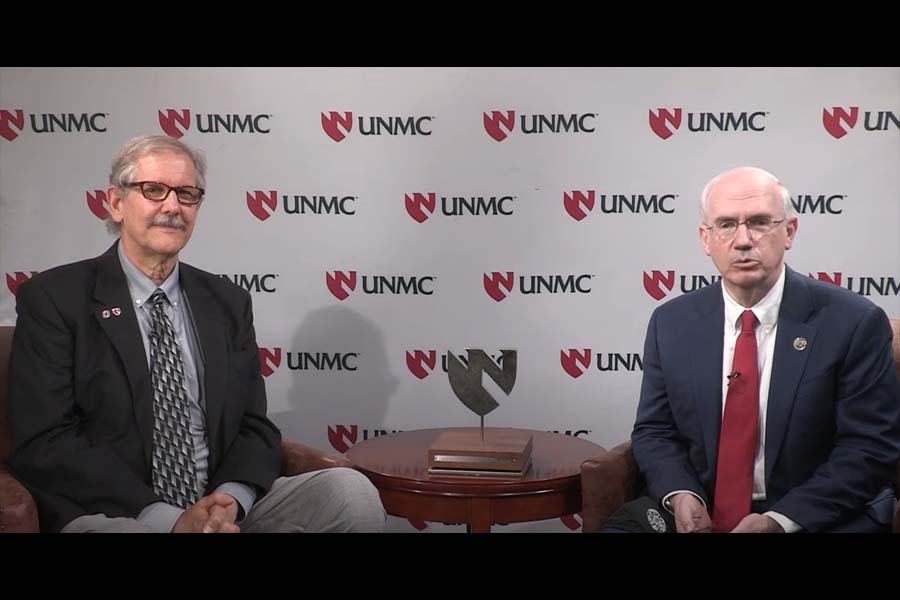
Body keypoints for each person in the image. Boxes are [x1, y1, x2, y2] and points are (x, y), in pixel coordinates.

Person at [7, 134, 386, 533]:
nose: (173, 206)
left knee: (349, 493)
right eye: (154, 190)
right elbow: (46, 441)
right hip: (117, 511)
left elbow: (253, 426)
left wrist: (231, 501)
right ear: (116, 203)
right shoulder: (55, 298)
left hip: (218, 503)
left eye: (188, 194)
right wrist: (167, 518)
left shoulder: (227, 301)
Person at [602, 166, 900, 533]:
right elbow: (655, 431)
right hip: (701, 505)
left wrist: (780, 521)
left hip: (813, 512)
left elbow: (868, 450)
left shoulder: (854, 322)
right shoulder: (671, 322)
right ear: (705, 239)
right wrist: (682, 495)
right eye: (726, 225)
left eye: (759, 222)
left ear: (789, 232)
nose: (742, 240)